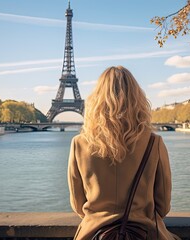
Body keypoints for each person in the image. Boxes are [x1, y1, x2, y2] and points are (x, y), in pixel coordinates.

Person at [68, 66, 180, 240]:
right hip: (144, 233)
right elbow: (163, 205)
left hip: (95, 233)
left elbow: (78, 204)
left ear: (95, 100)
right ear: (137, 99)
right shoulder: (153, 143)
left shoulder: (79, 144)